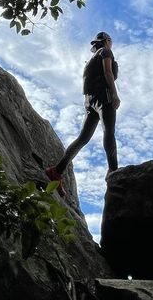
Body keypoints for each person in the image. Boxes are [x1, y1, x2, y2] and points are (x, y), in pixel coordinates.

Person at [46, 31, 120, 196]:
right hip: (103, 97)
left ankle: (56, 171)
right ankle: (114, 171)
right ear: (107, 41)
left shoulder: (91, 61)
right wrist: (114, 94)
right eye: (110, 41)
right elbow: (108, 72)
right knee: (109, 131)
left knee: (83, 138)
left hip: (89, 101)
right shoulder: (106, 52)